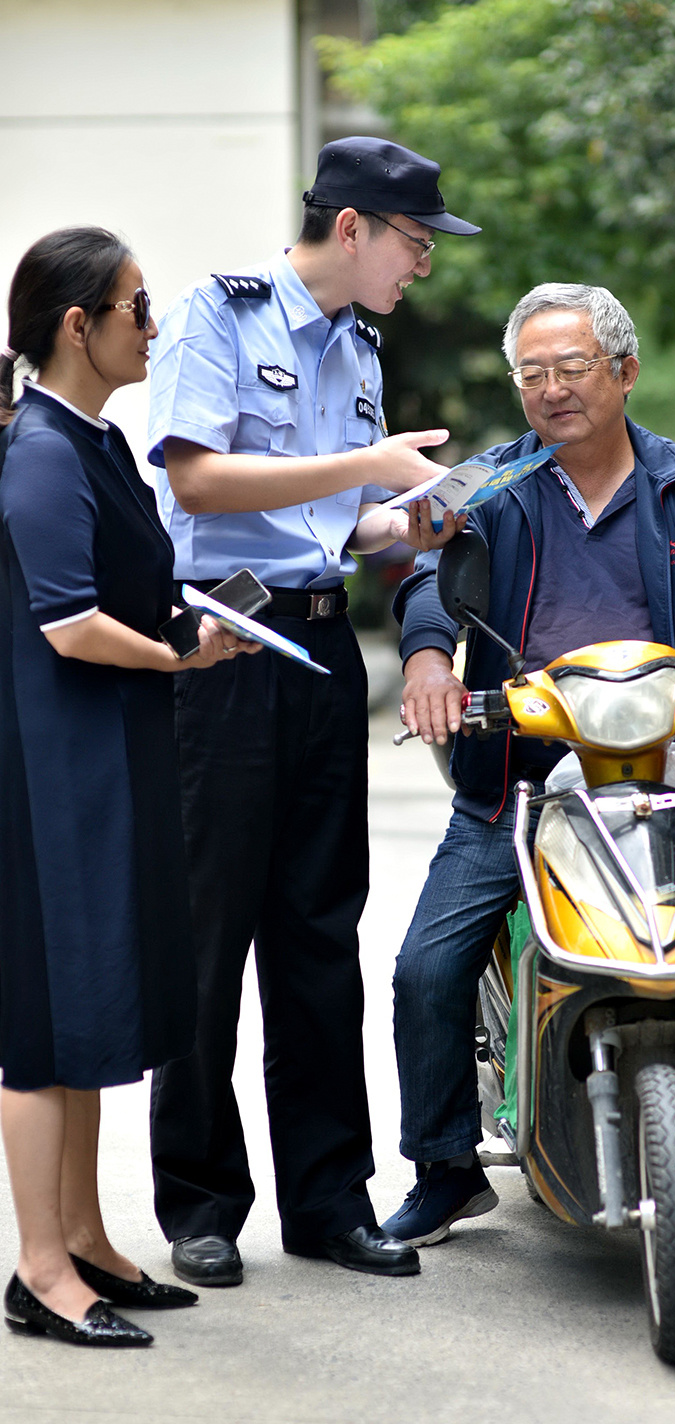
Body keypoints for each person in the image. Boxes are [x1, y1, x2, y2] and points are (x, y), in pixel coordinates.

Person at [382, 282, 675, 1247]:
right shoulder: (490, 484)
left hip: (672, 776)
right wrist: (428, 657)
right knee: (427, 967)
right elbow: (427, 573)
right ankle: (446, 1162)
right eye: (532, 374)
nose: (550, 390)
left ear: (623, 373)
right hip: (523, 779)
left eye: (572, 369)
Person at [146, 136, 480, 1287]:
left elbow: (346, 527)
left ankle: (329, 1198)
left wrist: (416, 515)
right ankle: (199, 1200)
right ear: (351, 229)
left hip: (324, 642)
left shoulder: (358, 349)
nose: (420, 266)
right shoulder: (216, 315)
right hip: (225, 645)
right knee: (206, 935)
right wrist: (364, 467)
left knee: (318, 932)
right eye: (413, 242)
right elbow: (194, 479)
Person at [0, 228, 252, 1348]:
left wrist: (189, 620)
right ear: (77, 327)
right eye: (138, 309)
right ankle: (40, 1269)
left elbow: (130, 590)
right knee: (43, 1026)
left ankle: (92, 1238)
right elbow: (66, 623)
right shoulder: (43, 451)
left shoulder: (96, 440)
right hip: (57, 773)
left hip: (110, 756)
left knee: (96, 1008)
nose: (153, 327)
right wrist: (180, 655)